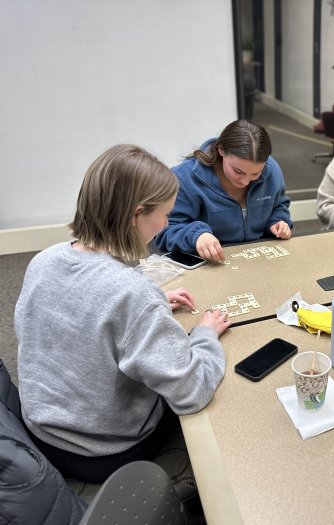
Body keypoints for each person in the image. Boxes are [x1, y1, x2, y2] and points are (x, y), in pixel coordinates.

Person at [15, 144, 231, 483]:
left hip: (40, 434)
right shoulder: (132, 294)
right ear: (136, 214)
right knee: (213, 401)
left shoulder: (45, 259)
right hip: (107, 451)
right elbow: (191, 391)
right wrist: (204, 334)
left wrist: (151, 302)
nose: (165, 225)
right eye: (164, 214)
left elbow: (73, 313)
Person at [155, 120, 292, 261]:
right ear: (221, 149)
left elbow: (279, 205)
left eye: (256, 174)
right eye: (238, 171)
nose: (245, 181)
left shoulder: (272, 169)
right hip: (211, 262)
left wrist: (278, 221)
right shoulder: (184, 178)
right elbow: (164, 231)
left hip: (260, 258)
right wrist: (196, 236)